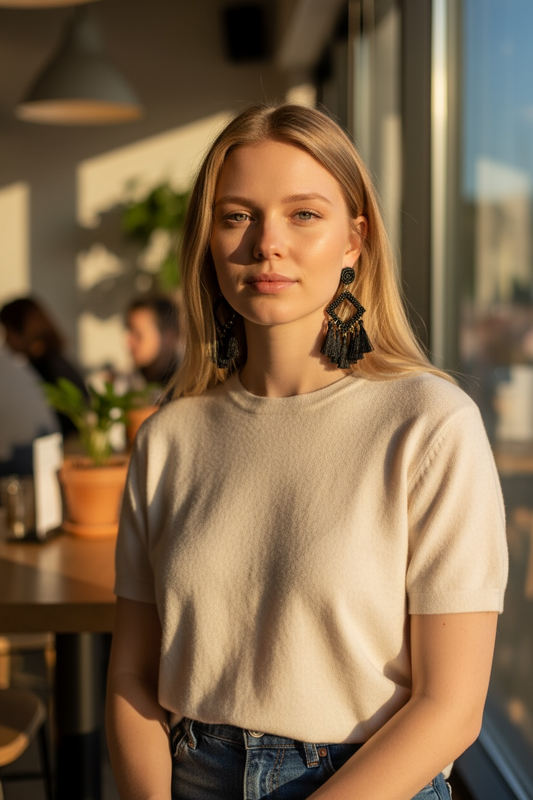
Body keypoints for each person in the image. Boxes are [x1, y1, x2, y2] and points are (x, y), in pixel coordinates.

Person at [106, 104, 508, 800]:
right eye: (236, 216)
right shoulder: (168, 435)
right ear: (206, 240)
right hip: (191, 773)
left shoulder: (429, 424)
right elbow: (131, 678)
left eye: (302, 215)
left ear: (354, 240)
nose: (267, 244)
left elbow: (450, 708)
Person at [0, 296, 88, 438]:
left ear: (22, 330)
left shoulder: (48, 369)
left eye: (7, 331)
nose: (6, 341)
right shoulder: (53, 361)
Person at [126, 294, 181, 389]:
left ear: (170, 336)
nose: (128, 342)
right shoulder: (122, 385)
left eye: (138, 335)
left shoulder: (194, 384)